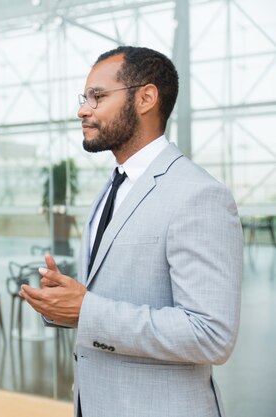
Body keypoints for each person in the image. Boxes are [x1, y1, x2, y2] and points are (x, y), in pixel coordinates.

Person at [20, 46, 243, 417]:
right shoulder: (111, 190)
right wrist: (64, 305)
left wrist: (87, 309)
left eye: (98, 96)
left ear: (146, 98)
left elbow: (211, 335)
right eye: (84, 98)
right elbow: (111, 295)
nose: (82, 110)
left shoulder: (199, 194)